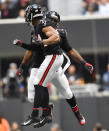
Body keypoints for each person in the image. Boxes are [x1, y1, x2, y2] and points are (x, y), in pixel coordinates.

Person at [13, 7, 94, 128]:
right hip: (40, 66)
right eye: (50, 20)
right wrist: (22, 66)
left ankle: (77, 114)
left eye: (54, 21)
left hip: (54, 67)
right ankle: (47, 108)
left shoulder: (58, 33)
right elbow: (31, 50)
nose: (52, 23)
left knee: (67, 93)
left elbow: (70, 50)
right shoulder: (38, 29)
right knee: (32, 97)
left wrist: (83, 62)